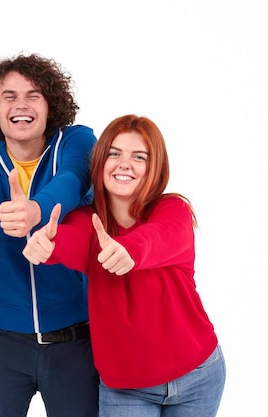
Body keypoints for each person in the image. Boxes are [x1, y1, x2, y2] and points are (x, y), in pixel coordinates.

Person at [23, 114, 226, 417]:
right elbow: (71, 239)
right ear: (101, 162)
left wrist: (127, 249)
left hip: (198, 374)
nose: (124, 164)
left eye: (139, 157)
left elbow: (158, 237)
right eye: (114, 153)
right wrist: (47, 244)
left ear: (154, 167)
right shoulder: (86, 222)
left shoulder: (174, 210)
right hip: (127, 389)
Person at [0, 53, 99, 417]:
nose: (21, 105)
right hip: (3, 343)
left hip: (75, 341)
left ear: (50, 105)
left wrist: (35, 210)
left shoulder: (77, 141)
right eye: (9, 96)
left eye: (34, 95)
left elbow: (73, 179)